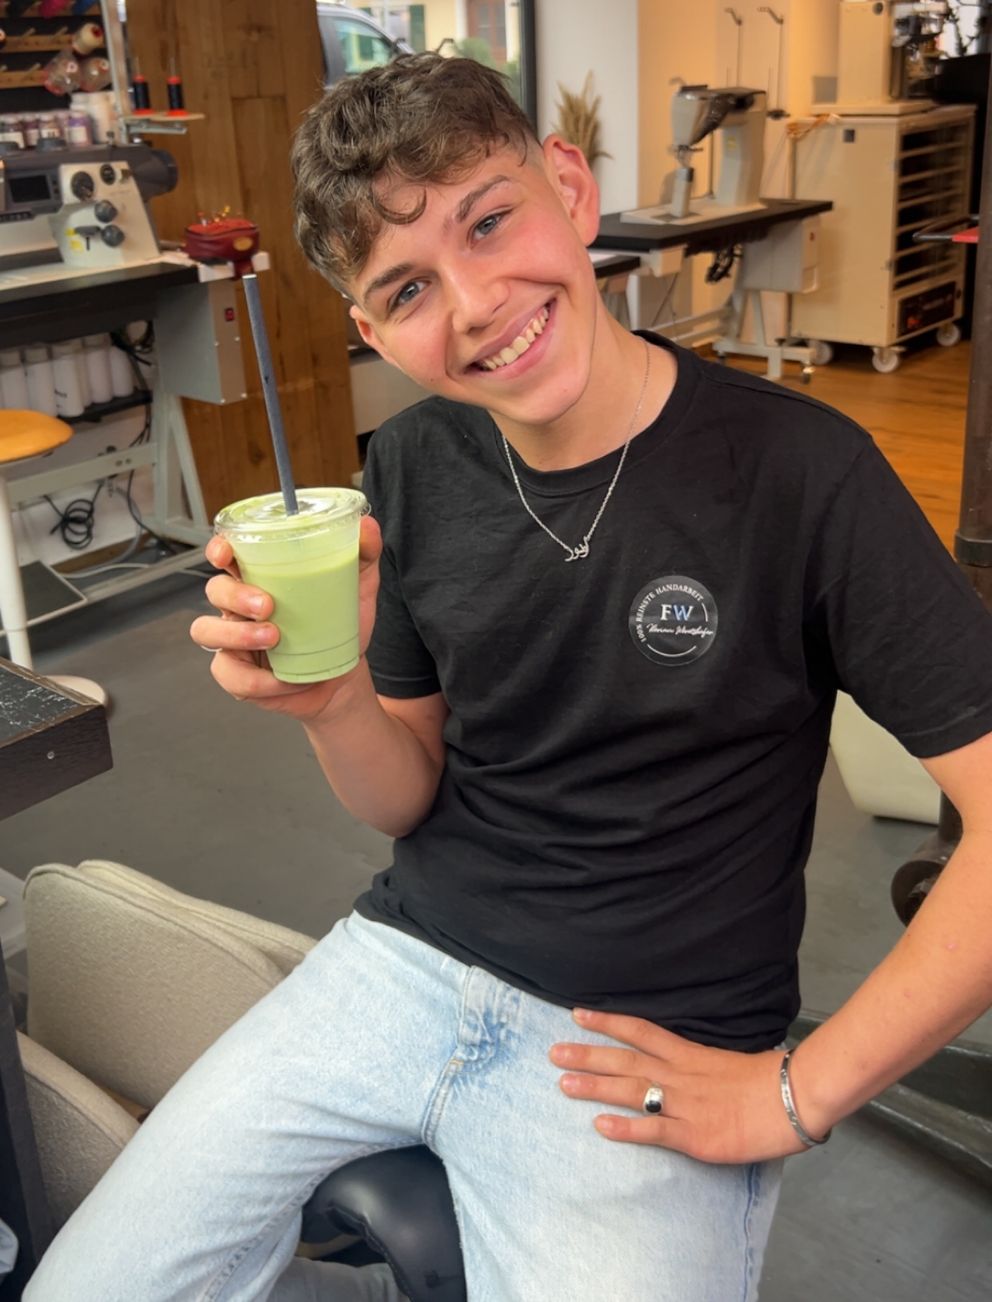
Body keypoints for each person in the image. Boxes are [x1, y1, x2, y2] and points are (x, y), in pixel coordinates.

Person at [26, 53, 992, 1302]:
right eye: (408, 287)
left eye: (489, 221)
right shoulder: (412, 465)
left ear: (570, 190)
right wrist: (333, 704)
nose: (476, 303)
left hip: (645, 1040)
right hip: (400, 964)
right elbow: (405, 794)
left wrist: (797, 1093)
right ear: (374, 333)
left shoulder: (803, 474)